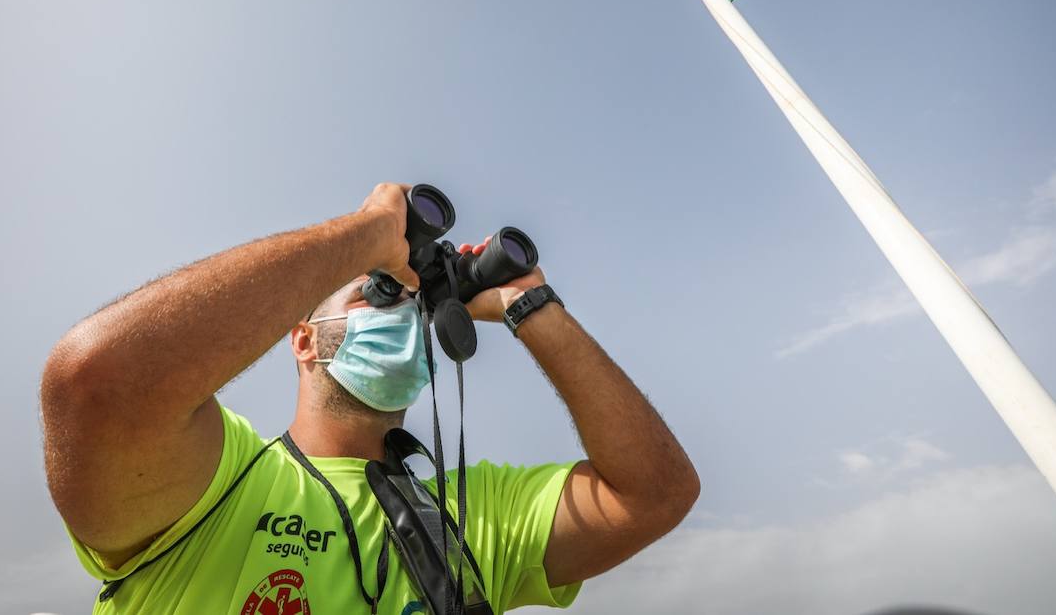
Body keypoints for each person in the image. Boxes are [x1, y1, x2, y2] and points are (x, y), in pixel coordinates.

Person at [41, 182, 700, 613]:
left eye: (412, 305)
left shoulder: (472, 515)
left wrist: (532, 304)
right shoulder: (218, 482)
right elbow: (96, 387)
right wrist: (369, 236)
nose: (401, 311)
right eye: (377, 293)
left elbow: (655, 493)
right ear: (305, 340)